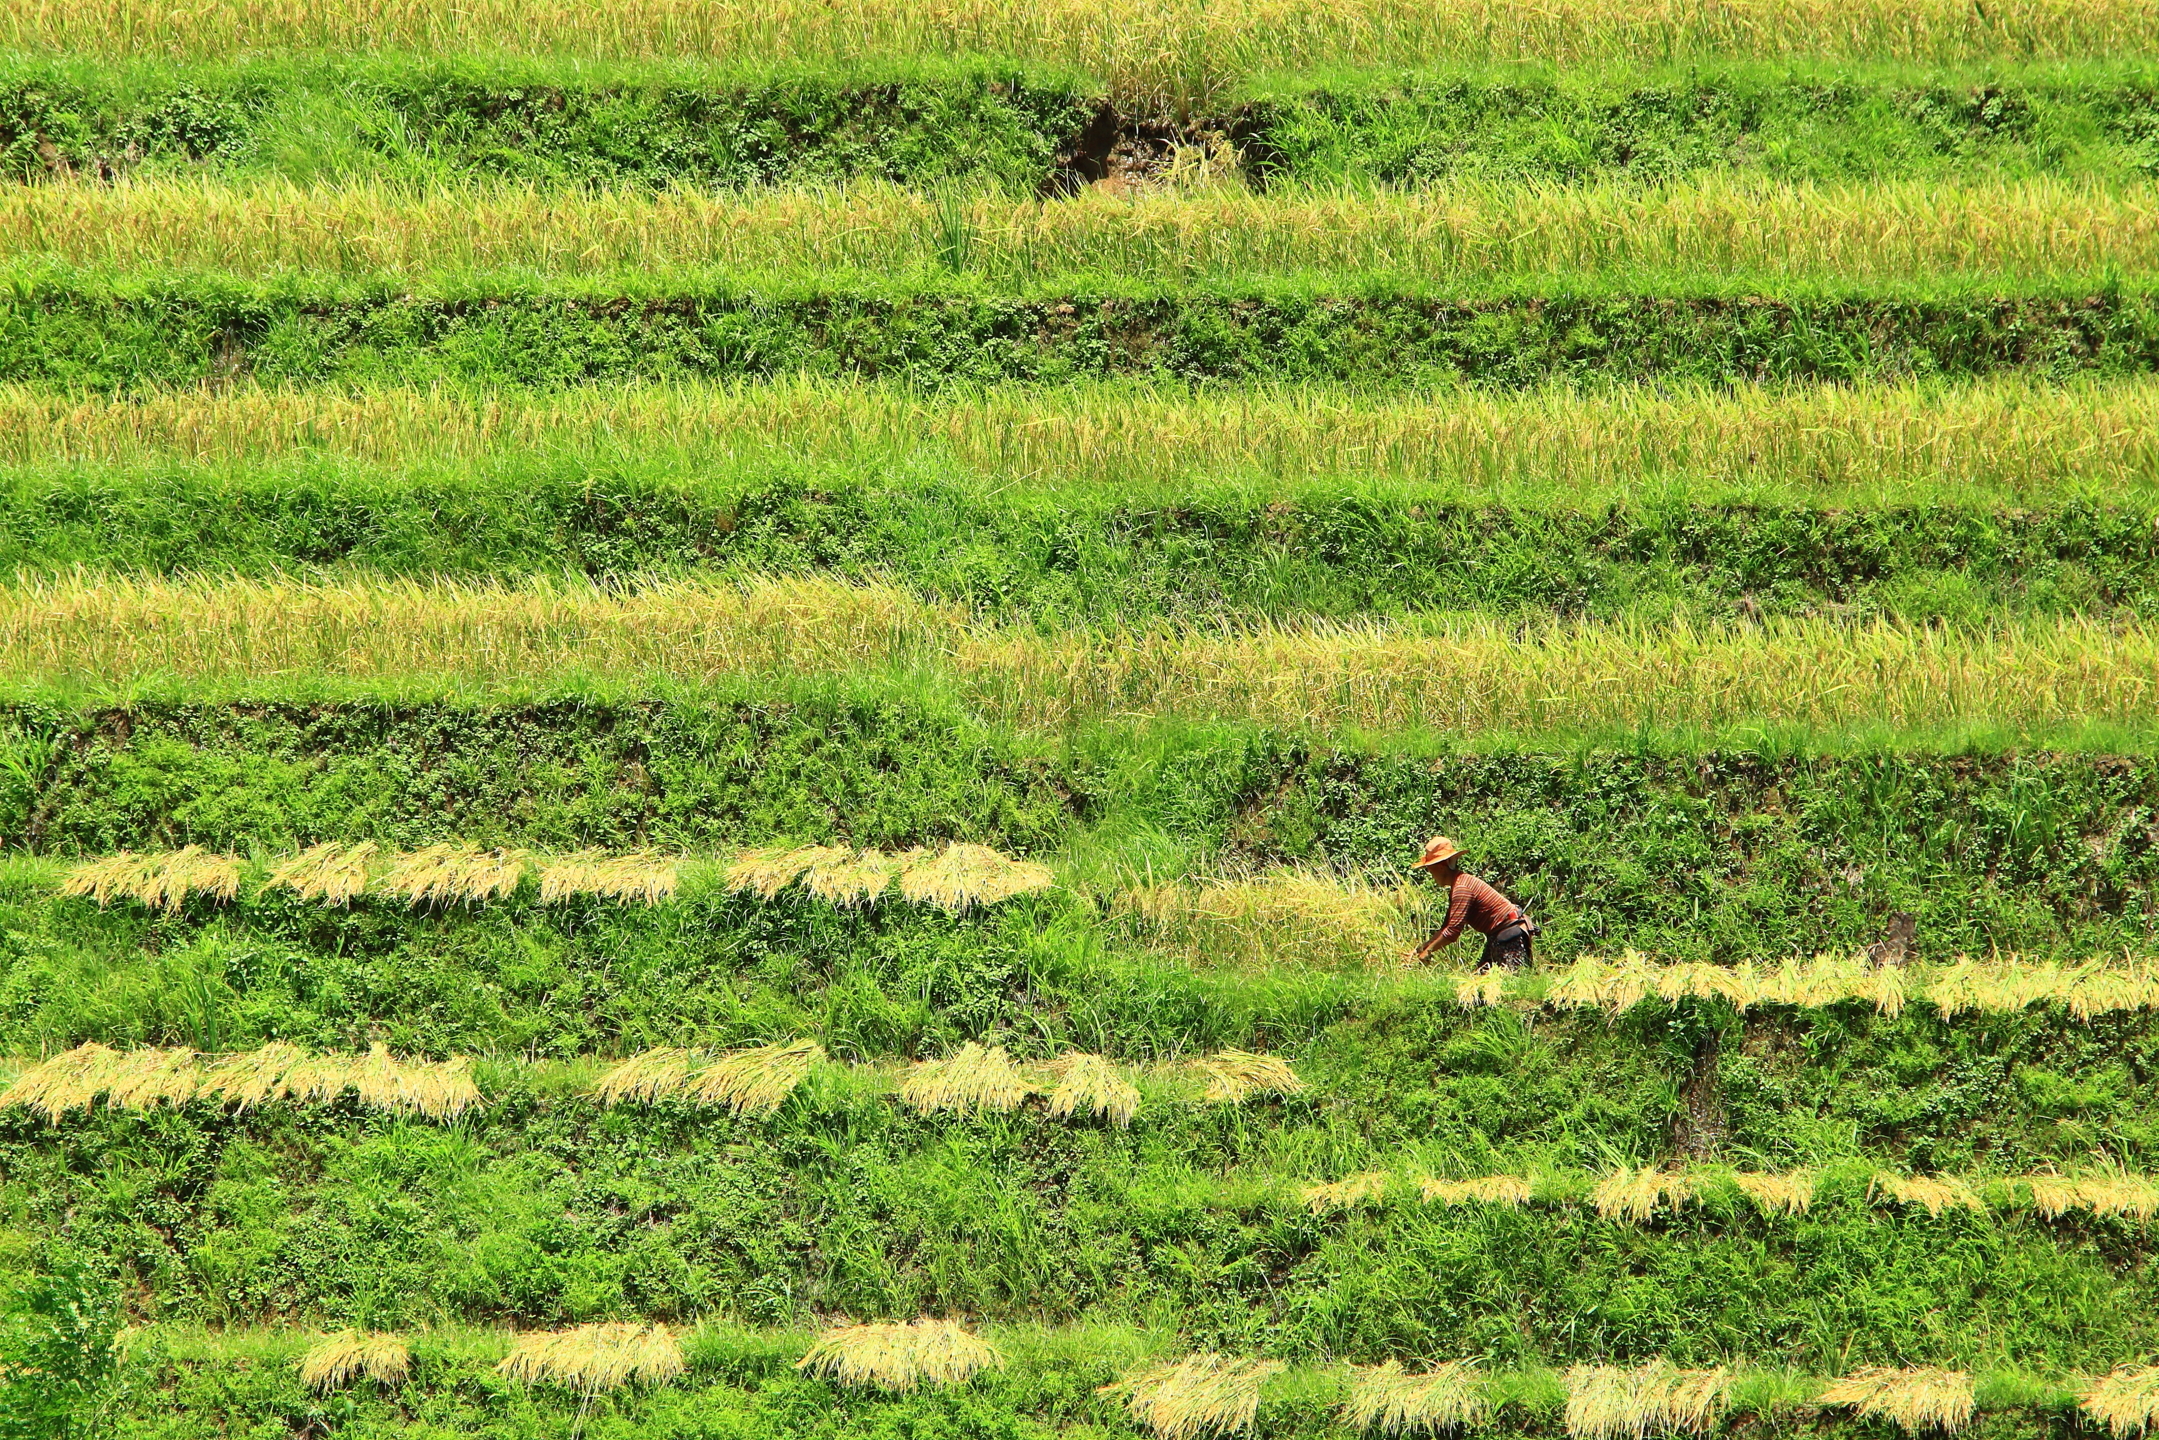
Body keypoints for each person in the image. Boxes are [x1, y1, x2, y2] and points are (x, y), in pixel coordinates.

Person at [1406, 836, 1536, 969]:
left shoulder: (1462, 889)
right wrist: (1422, 949)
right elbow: (1446, 926)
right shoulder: (1460, 884)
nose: (1431, 874)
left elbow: (1452, 931)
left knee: (1512, 982)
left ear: (1440, 868)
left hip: (1508, 934)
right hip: (1499, 934)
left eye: (1430, 869)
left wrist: (1428, 951)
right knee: (1482, 979)